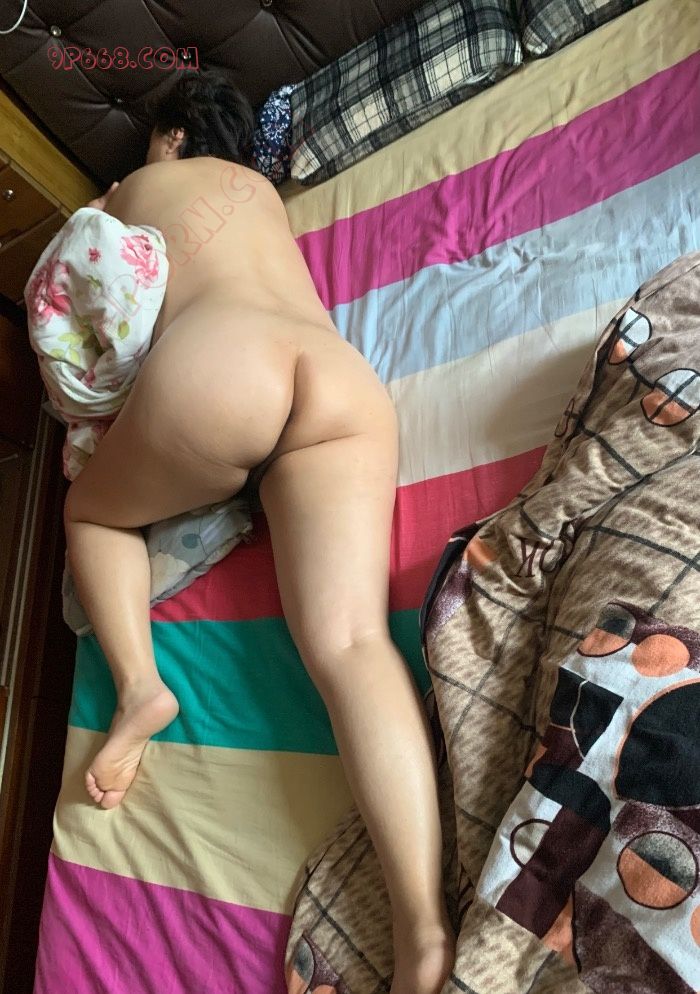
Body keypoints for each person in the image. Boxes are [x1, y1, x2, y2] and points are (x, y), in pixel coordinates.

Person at [65, 68, 454, 994]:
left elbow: (91, 313)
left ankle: (140, 691)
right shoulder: (267, 198)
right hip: (338, 380)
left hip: (220, 372)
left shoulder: (132, 192)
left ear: (170, 135)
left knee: (90, 510)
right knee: (352, 644)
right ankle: (423, 930)